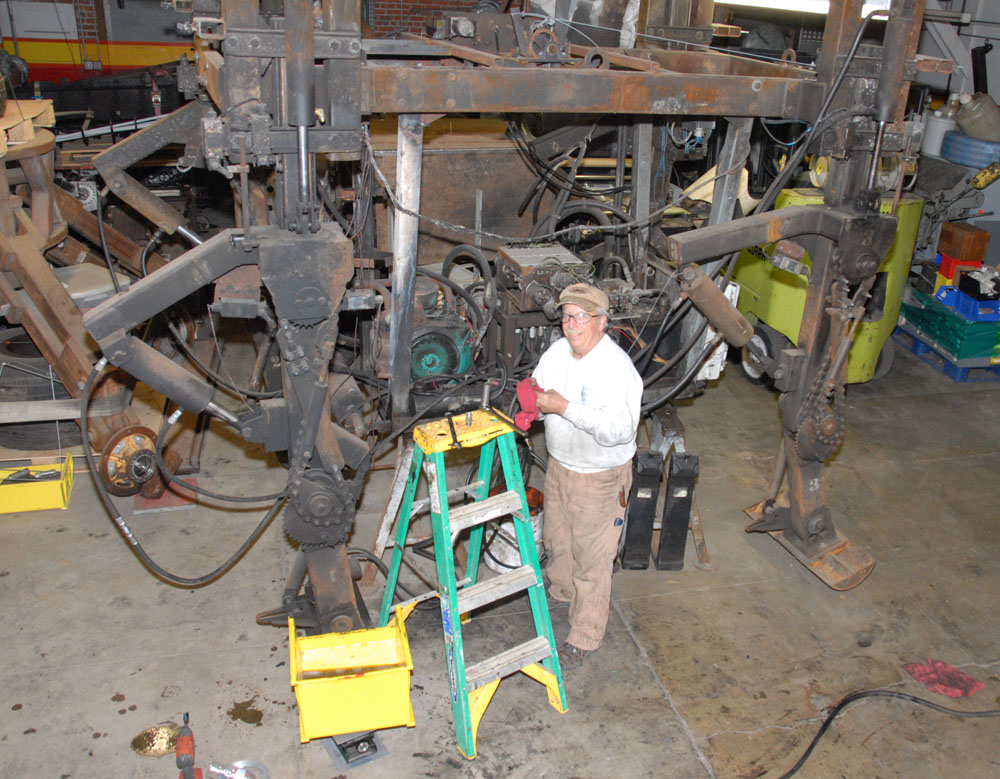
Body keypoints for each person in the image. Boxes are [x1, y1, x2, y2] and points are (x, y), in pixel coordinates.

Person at [530, 282, 642, 669]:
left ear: (602, 321)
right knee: (558, 542)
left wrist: (565, 408)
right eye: (566, 316)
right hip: (560, 466)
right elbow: (538, 388)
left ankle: (585, 635)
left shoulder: (616, 368)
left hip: (601, 477)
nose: (572, 324)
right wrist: (530, 405)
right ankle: (563, 593)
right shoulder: (557, 353)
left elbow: (620, 430)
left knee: (593, 561)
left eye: (582, 316)